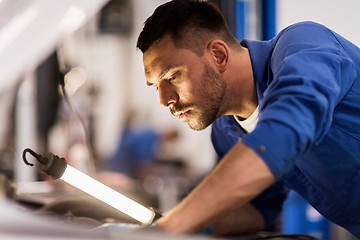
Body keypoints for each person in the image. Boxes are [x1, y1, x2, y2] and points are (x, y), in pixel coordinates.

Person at [136, 0, 360, 237]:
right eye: (155, 86)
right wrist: (174, 226)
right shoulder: (225, 131)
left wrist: (171, 227)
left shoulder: (306, 44)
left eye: (172, 77)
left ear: (219, 55)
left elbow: (285, 132)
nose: (164, 100)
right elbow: (257, 208)